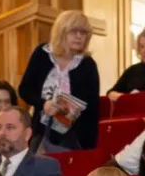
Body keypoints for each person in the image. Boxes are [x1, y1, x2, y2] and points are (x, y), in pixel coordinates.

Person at [18, 10, 100, 151]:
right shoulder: (42, 54)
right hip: (41, 132)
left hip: (74, 138)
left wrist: (89, 149)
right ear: (62, 32)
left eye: (84, 32)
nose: (79, 37)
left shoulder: (88, 64)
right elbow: (25, 89)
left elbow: (93, 110)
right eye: (74, 31)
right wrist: (44, 104)